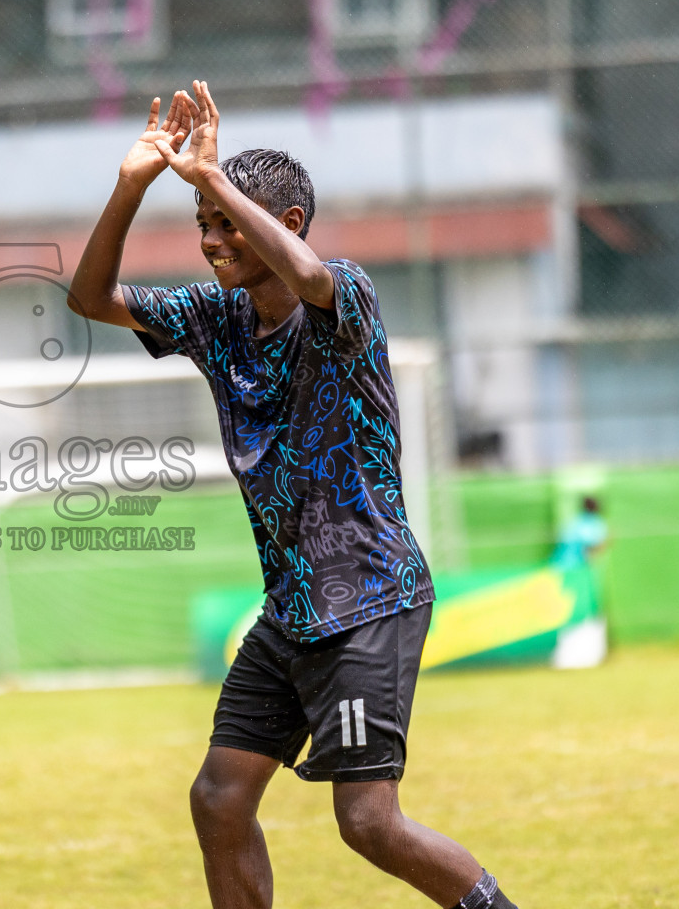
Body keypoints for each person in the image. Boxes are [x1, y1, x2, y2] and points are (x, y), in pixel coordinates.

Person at [68, 82, 518, 909]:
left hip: (370, 596)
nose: (210, 240)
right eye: (202, 225)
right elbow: (89, 300)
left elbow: (307, 274)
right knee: (218, 798)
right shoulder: (215, 318)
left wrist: (212, 176)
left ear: (285, 222)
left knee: (368, 821)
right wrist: (133, 185)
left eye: (225, 223)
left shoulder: (342, 295)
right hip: (292, 608)